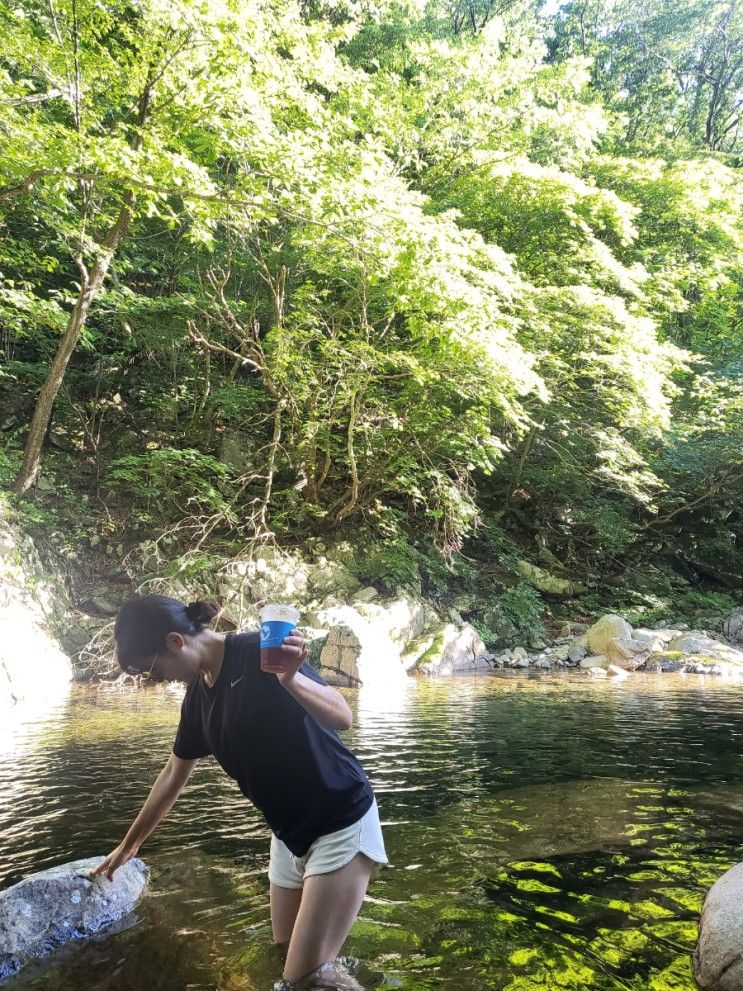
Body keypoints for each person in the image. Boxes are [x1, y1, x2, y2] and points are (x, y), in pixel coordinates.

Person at [93, 595, 387, 990]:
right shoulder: (198, 698)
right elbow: (173, 774)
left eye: (154, 669)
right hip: (288, 835)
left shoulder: (259, 653)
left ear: (176, 642)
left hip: (339, 819)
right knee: (286, 958)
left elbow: (342, 717)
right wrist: (129, 847)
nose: (158, 680)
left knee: (304, 979)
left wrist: (290, 679)